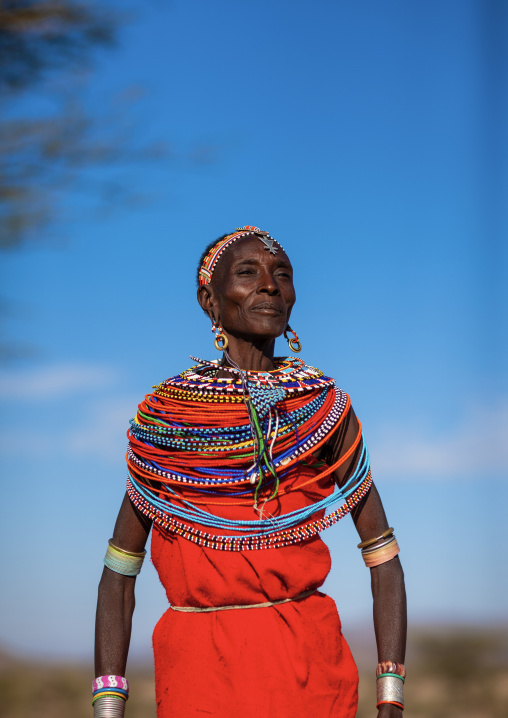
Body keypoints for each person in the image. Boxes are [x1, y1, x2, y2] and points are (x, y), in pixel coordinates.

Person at [94, 226, 407, 718]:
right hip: (198, 671)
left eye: (282, 274)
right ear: (209, 300)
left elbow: (382, 554)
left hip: (310, 666)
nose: (269, 285)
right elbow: (118, 573)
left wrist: (390, 692)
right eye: (248, 273)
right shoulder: (168, 420)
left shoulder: (324, 411)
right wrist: (108, 702)